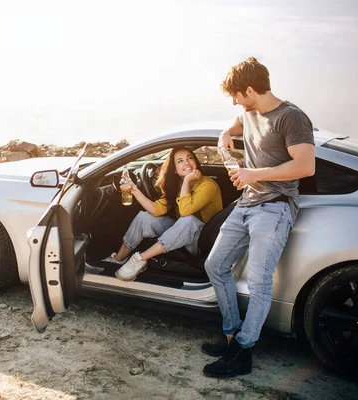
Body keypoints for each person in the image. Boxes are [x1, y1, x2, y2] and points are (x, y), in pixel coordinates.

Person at [202, 57, 315, 378]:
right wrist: (226, 134)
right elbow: (237, 122)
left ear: (251, 90)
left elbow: (306, 166)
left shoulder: (292, 118)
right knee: (216, 265)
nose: (234, 102)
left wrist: (253, 173)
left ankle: (243, 352)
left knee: (259, 283)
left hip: (276, 207)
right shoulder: (250, 111)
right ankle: (231, 334)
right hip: (247, 204)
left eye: (236, 95)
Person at [103, 147, 223, 281]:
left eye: (190, 158)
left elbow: (185, 211)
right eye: (180, 161)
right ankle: (119, 258)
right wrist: (135, 190)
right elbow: (156, 209)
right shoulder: (178, 185)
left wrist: (187, 182)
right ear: (174, 170)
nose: (187, 163)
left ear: (196, 161)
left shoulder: (208, 184)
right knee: (145, 217)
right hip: (181, 233)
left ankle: (140, 259)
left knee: (189, 220)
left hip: (203, 241)